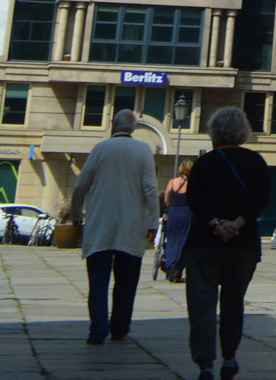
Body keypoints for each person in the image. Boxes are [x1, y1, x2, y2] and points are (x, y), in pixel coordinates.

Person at [183, 105, 271, 380]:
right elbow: (262, 198)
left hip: (204, 245)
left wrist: (215, 223)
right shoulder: (255, 161)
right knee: (233, 303)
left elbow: (194, 200)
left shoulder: (204, 163)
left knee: (202, 306)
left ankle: (205, 365)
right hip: (242, 245)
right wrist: (238, 223)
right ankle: (229, 359)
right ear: (242, 131)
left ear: (214, 132)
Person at [69, 108, 159, 345]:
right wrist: (153, 222)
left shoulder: (100, 148)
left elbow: (80, 186)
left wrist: (76, 215)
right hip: (131, 227)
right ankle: (119, 328)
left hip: (100, 226)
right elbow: (150, 187)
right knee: (126, 284)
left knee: (97, 283)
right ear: (133, 129)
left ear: (113, 125)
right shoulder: (143, 150)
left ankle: (97, 330)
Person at [161, 159, 194, 282]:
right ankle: (178, 269)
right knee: (184, 242)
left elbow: (166, 199)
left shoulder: (172, 182)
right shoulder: (192, 183)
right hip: (186, 213)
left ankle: (170, 266)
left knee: (172, 240)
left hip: (173, 213)